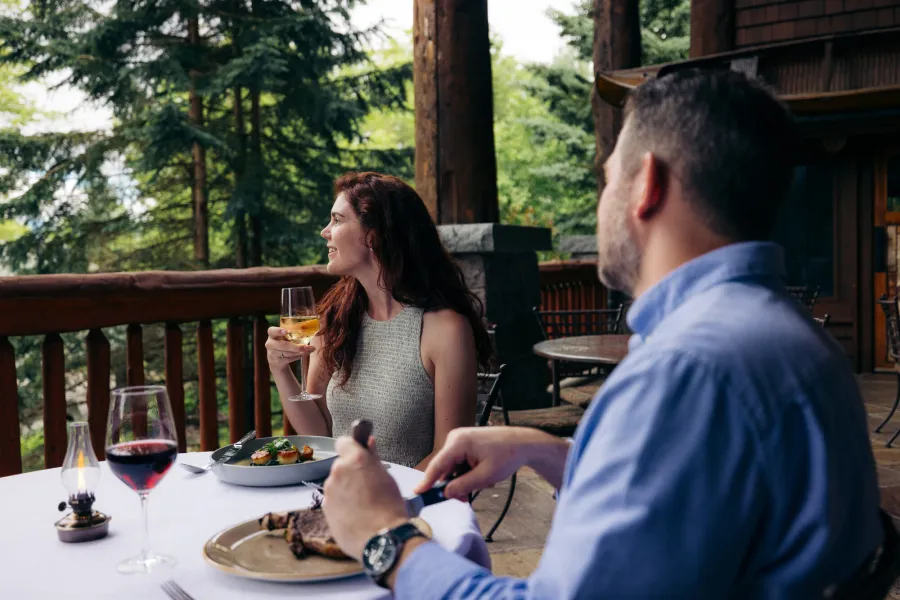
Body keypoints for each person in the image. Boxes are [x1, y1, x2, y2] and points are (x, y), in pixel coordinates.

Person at [319, 69, 886, 597]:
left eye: (608, 177)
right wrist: (558, 453)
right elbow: (704, 499)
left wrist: (386, 538)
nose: (601, 200)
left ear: (648, 186)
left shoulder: (687, 370)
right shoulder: (798, 339)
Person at [266, 171, 493, 470]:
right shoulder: (335, 320)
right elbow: (319, 434)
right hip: (339, 496)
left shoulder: (445, 331)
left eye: (337, 220)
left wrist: (381, 498)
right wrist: (280, 370)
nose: (325, 231)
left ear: (372, 235)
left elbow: (448, 454)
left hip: (412, 505)